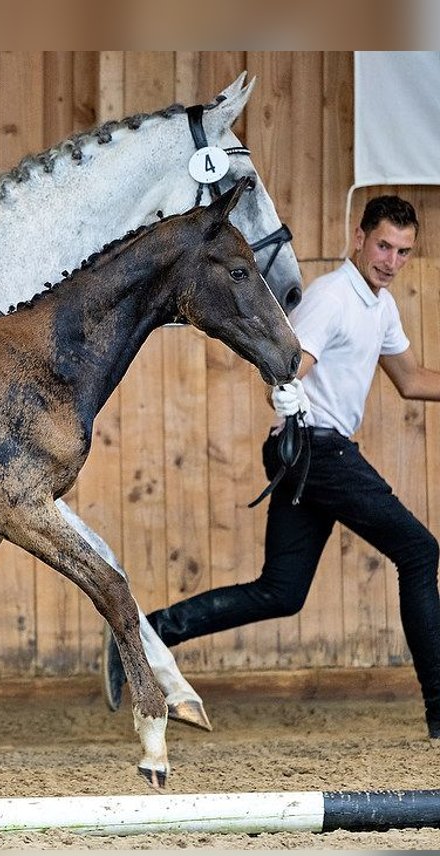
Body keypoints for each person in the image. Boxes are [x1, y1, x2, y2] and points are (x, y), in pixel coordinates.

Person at [103, 195, 440, 739]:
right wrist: (282, 393)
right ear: (359, 238)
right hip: (316, 451)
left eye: (403, 252)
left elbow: (412, 380)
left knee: (280, 592)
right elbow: (286, 368)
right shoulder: (333, 298)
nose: (392, 261)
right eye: (383, 246)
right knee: (421, 552)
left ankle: (151, 632)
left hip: (315, 455)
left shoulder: (380, 305)